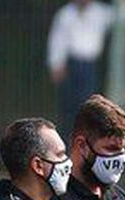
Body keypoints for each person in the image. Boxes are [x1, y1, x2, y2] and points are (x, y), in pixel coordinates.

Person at [47, 0, 115, 131]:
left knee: (88, 101)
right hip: (72, 63)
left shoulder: (101, 12)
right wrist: (56, 64)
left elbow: (122, 17)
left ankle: (86, 133)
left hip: (90, 65)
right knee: (69, 102)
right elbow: (57, 40)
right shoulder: (65, 14)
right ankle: (67, 133)